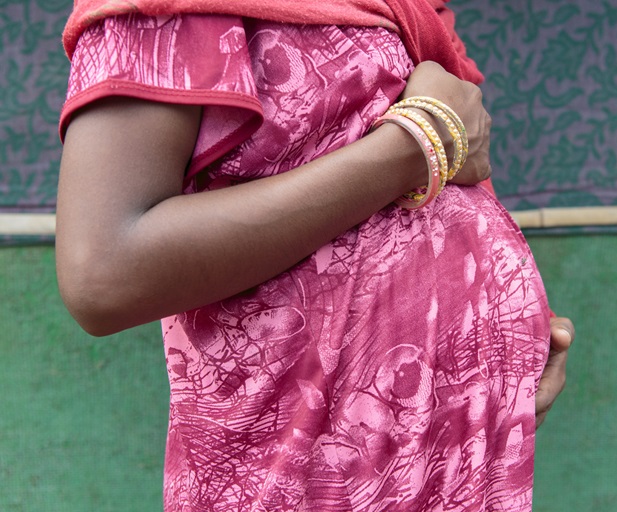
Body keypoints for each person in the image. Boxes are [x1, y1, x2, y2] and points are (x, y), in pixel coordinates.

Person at [56, 1, 573, 510]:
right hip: (304, 466)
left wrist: (524, 322)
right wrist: (417, 143)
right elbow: (104, 272)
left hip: (460, 445)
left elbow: (456, 163)